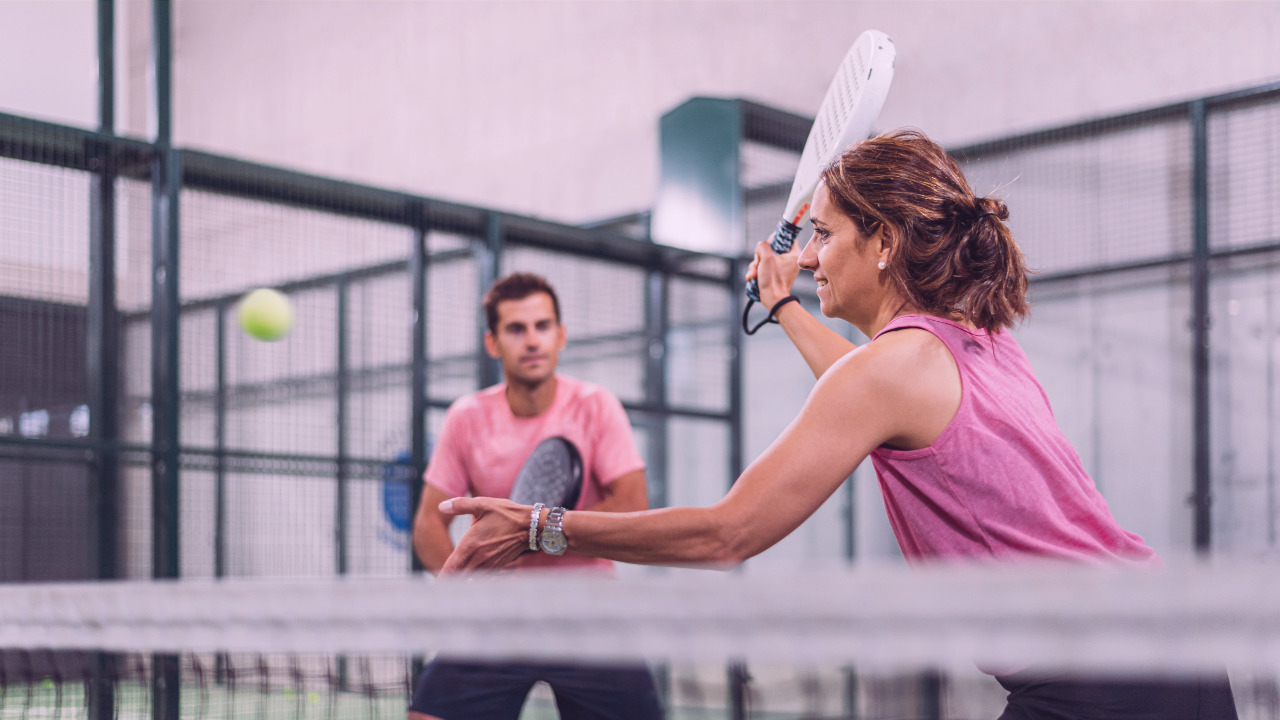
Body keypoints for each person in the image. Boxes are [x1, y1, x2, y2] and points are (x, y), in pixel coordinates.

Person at [437, 131, 1239, 719]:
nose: (813, 253)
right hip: (1173, 651)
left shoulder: (889, 371)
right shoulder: (976, 342)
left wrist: (542, 527)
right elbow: (863, 387)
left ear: (883, 243)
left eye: (824, 233)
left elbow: (728, 535)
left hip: (1097, 684)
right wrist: (784, 303)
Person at [409, 272, 664, 720]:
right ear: (493, 343)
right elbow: (430, 520)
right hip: (496, 618)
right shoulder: (466, 417)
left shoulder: (595, 405)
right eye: (516, 328)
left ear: (561, 335)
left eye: (542, 326)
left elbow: (632, 504)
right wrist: (463, 583)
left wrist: (528, 533)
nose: (532, 341)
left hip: (590, 616)